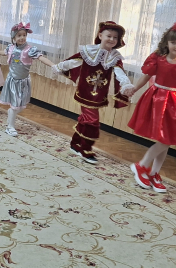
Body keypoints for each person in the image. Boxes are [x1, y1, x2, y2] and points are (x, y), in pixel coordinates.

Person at [122, 19, 176, 193]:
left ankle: (153, 172)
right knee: (165, 139)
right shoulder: (158, 60)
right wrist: (134, 88)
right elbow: (146, 76)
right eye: (173, 42)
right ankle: (142, 166)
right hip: (157, 100)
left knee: (167, 140)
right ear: (166, 43)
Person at [52, 21, 133, 164]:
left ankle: (75, 144)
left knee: (86, 119)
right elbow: (73, 62)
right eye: (109, 36)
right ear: (100, 35)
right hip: (85, 93)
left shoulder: (115, 57)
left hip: (99, 95)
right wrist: (59, 67)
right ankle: (86, 149)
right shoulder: (88, 51)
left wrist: (126, 84)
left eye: (115, 37)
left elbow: (120, 73)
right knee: (92, 122)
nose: (112, 39)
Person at [0, 22, 55, 137]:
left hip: (23, 82)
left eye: (24, 35)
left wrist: (53, 65)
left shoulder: (29, 50)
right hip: (12, 81)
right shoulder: (11, 48)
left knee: (20, 105)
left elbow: (41, 58)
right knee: (15, 105)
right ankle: (10, 127)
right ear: (14, 38)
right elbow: (4, 52)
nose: (22, 37)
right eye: (19, 35)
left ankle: (11, 114)